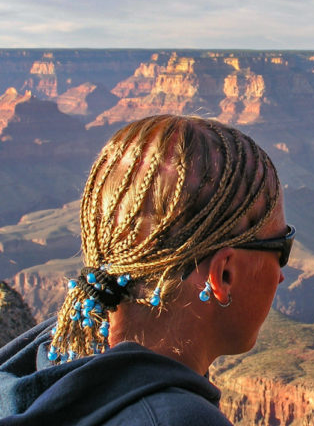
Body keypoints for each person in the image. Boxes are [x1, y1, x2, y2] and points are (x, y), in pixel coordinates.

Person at [0, 115, 294, 425]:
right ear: (223, 274)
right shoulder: (177, 421)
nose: (281, 275)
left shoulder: (40, 357)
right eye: (282, 247)